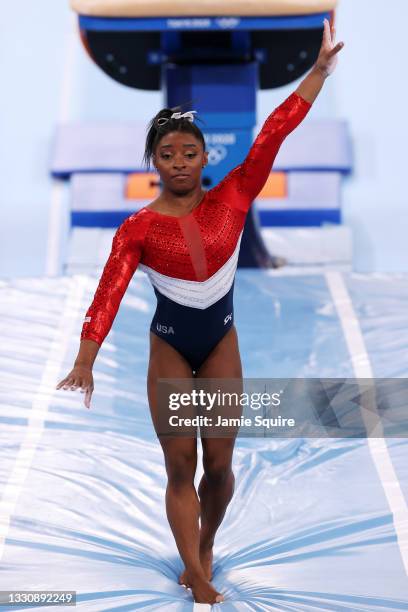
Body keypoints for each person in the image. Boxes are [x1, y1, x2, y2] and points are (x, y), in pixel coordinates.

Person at [56, 19, 344, 605]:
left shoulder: (237, 193)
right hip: (169, 344)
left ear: (203, 155)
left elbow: (273, 134)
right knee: (179, 463)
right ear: (153, 162)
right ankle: (197, 573)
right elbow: (108, 291)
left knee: (219, 464)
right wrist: (86, 358)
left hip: (218, 343)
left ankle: (206, 542)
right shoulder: (136, 229)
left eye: (189, 151)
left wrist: (315, 74)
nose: (181, 162)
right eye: (168, 154)